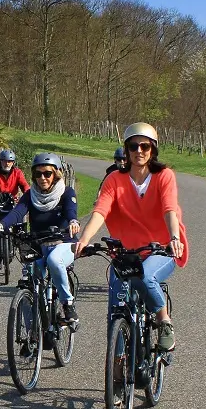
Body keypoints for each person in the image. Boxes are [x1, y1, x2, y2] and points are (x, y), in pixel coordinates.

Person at [75, 122, 188, 351]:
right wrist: (84, 240)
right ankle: (117, 363)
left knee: (145, 277)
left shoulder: (164, 176)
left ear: (153, 149)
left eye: (144, 146)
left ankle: (164, 320)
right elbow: (101, 210)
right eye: (133, 146)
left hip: (161, 249)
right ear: (126, 150)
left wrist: (174, 238)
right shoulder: (114, 179)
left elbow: (169, 209)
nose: (139, 151)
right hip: (126, 253)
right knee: (116, 306)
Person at [0, 153, 81, 322]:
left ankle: (67, 304)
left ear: (56, 174)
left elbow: (70, 212)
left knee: (54, 260)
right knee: (27, 280)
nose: (42, 178)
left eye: (47, 173)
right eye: (38, 174)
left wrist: (73, 221)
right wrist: (0, 225)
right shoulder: (31, 195)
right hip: (38, 245)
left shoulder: (67, 192)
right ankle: (30, 340)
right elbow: (17, 212)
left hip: (63, 243)